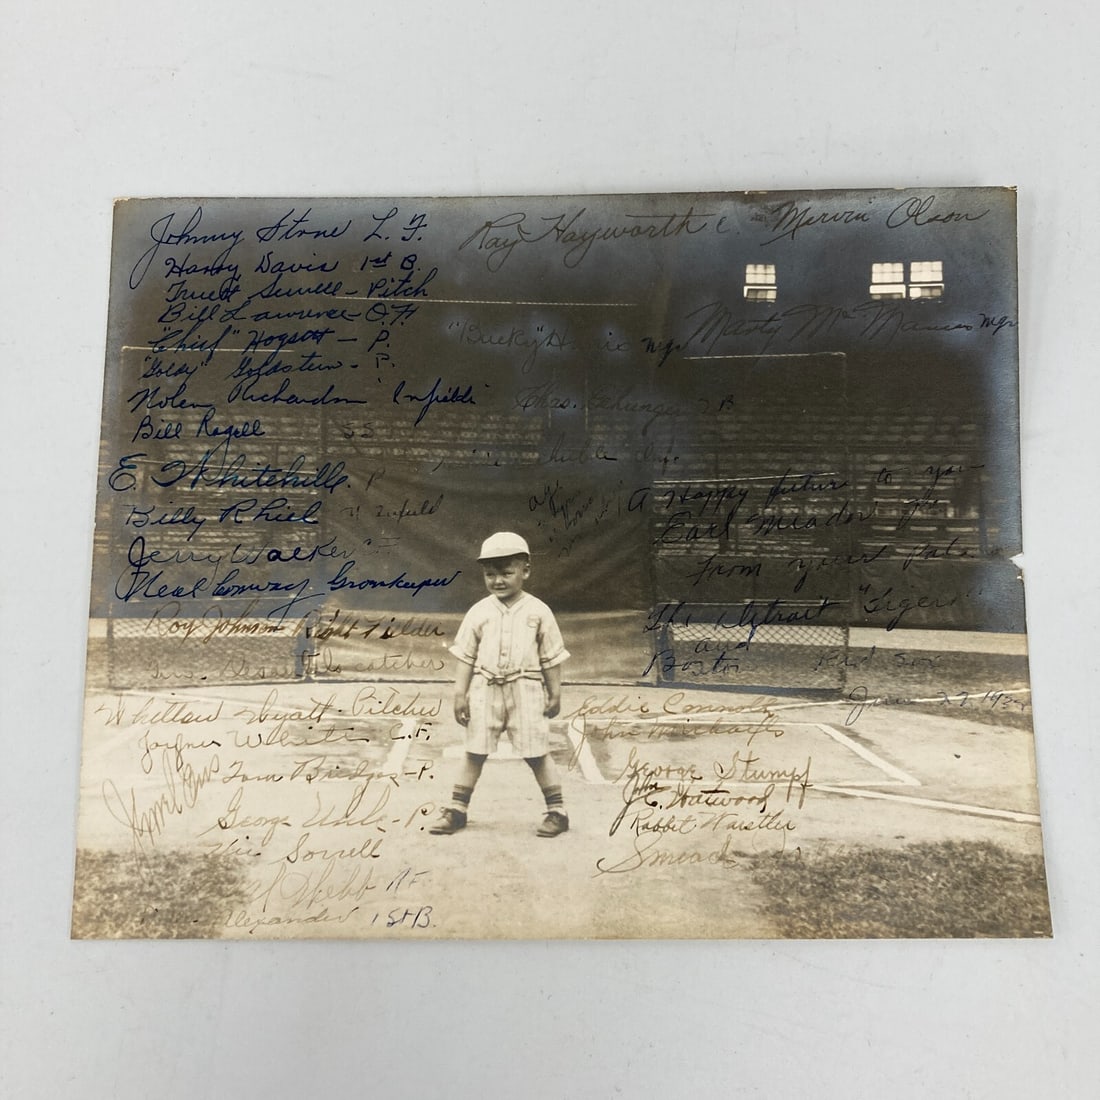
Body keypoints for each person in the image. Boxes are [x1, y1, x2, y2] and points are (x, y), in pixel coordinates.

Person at [430, 532, 571, 837]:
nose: (498, 581)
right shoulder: (479, 611)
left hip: (526, 688)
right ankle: (457, 809)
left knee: (536, 752)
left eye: (507, 573)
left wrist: (555, 692)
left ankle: (557, 812)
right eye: (490, 574)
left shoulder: (538, 611)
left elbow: (551, 657)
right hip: (485, 688)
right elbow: (466, 656)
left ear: (525, 571)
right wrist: (460, 694)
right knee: (474, 751)